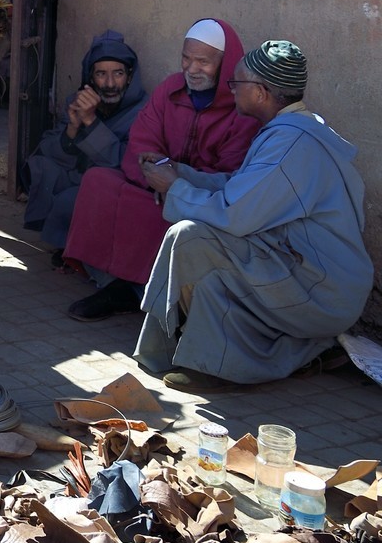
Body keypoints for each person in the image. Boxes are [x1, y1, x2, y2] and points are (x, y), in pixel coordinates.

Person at [134, 40, 371, 391]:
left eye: (236, 83)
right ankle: (222, 352)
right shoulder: (290, 131)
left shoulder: (292, 143)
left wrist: (174, 187)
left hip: (320, 289)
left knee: (189, 239)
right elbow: (240, 188)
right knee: (198, 249)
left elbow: (235, 214)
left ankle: (222, 364)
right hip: (301, 269)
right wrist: (180, 173)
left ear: (260, 93)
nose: (230, 90)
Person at [61, 18, 260, 321]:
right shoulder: (170, 89)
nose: (192, 69)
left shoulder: (239, 108)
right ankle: (111, 278)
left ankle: (134, 290)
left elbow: (229, 173)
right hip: (154, 186)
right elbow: (143, 140)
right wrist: (156, 179)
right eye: (186, 58)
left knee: (168, 217)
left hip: (197, 197)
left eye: (203, 62)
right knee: (98, 181)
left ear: (224, 64)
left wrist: (177, 186)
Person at [22, 30, 145, 254]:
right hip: (78, 175)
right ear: (91, 78)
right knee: (40, 165)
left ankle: (76, 250)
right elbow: (49, 148)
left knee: (71, 199)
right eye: (101, 74)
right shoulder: (79, 101)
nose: (110, 83)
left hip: (112, 184)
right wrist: (73, 127)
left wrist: (91, 121)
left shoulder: (144, 111)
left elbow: (127, 162)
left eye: (118, 73)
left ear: (129, 76)